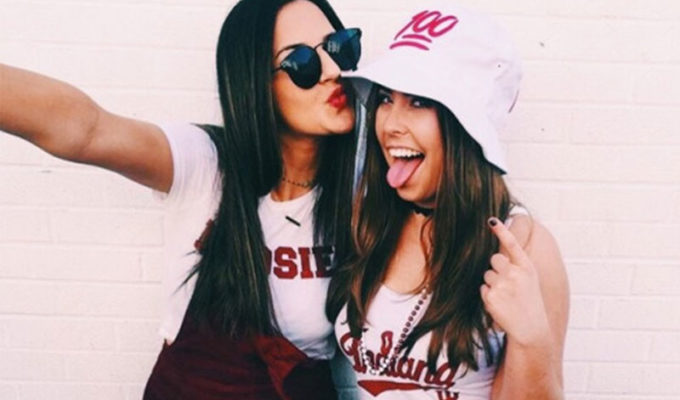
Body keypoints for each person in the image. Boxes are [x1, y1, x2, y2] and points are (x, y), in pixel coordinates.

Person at [0, 0, 362, 398]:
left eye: (340, 47)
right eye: (302, 62)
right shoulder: (208, 164)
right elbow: (87, 131)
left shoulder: (367, 191)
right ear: (256, 83)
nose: (333, 69)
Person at [327, 2, 569, 399]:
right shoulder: (369, 221)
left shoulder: (524, 248)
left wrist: (531, 339)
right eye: (386, 98)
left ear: (468, 127)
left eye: (419, 102)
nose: (391, 124)